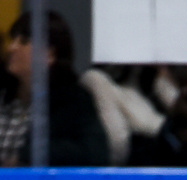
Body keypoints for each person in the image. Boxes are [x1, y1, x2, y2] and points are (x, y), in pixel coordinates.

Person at [0, 11, 108, 167]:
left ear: (49, 54)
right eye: (12, 40)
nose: (11, 48)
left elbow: (94, 153)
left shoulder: (72, 101)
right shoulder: (4, 94)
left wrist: (24, 157)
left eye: (23, 41)